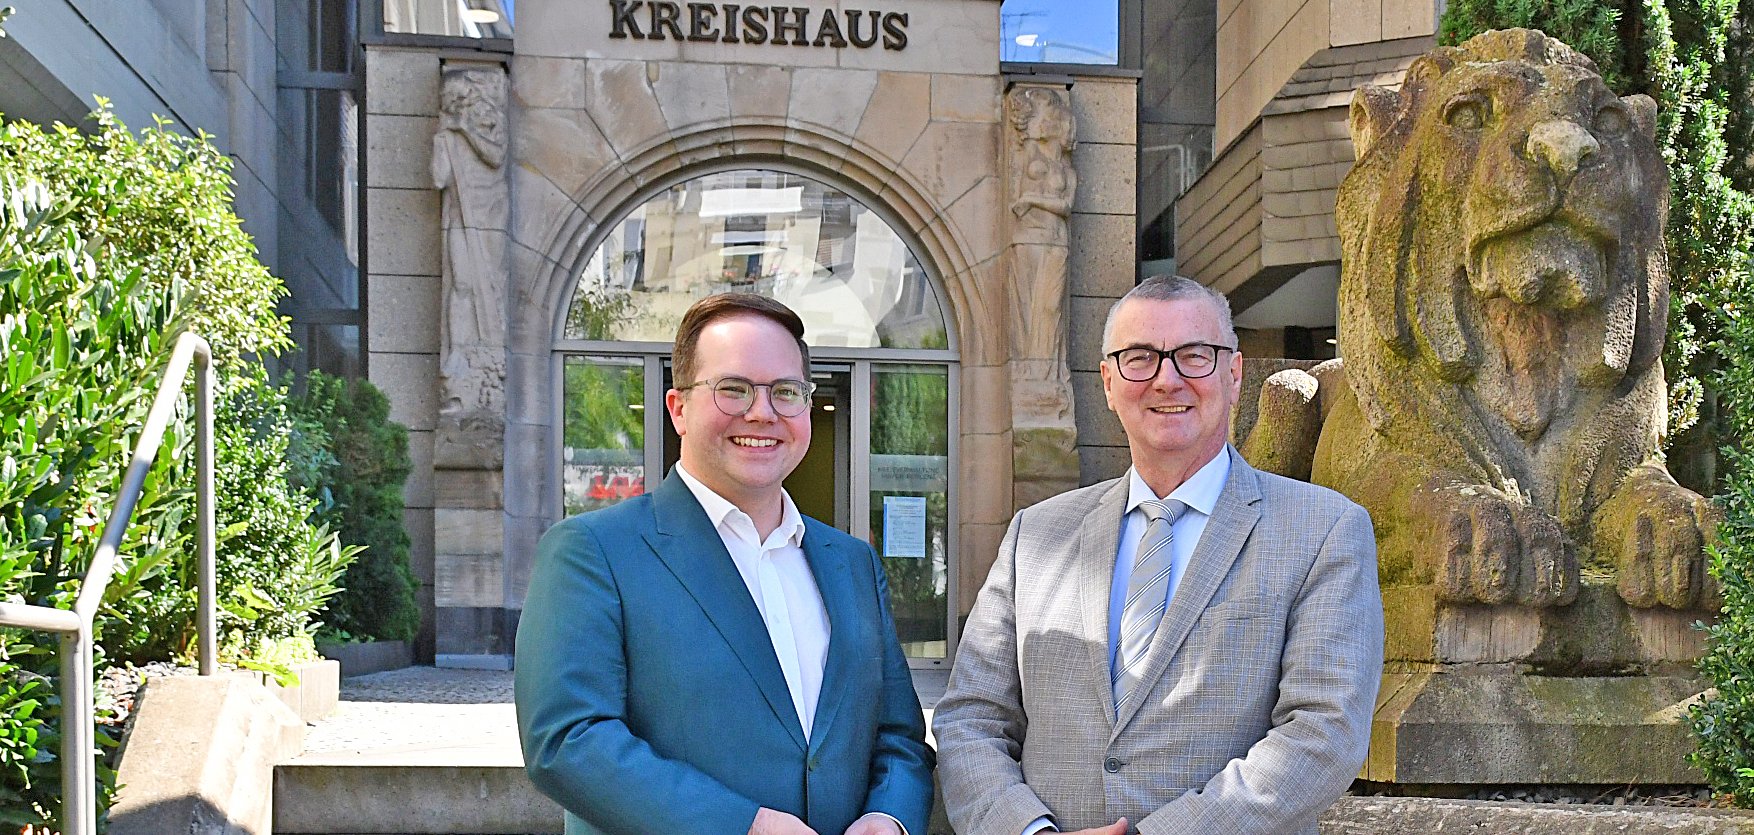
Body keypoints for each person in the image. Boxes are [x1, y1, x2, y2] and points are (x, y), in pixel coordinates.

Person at [933, 275, 1383, 835]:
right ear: (1107, 381)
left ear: (1234, 374)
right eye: (1140, 357)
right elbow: (971, 718)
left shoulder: (1325, 531)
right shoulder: (1036, 535)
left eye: (1195, 356)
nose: (1167, 380)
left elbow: (1323, 733)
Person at [516, 293, 934, 835]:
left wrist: (889, 817)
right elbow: (568, 740)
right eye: (733, 389)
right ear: (678, 408)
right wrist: (742, 826)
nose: (762, 412)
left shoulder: (851, 563)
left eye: (786, 392)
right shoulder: (592, 551)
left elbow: (898, 736)